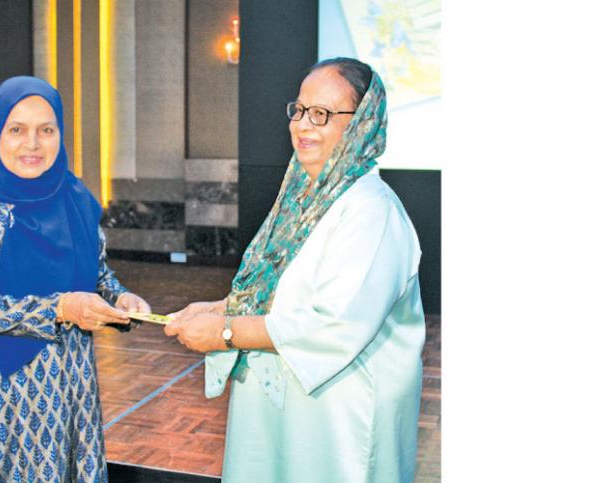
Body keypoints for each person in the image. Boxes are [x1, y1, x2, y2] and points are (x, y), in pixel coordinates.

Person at [165, 58, 425, 482]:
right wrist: (219, 308)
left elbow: (335, 323)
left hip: (337, 419)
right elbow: (280, 289)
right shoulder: (301, 200)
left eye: (321, 114)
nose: (303, 125)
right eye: (299, 110)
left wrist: (227, 331)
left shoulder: (370, 211)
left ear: (361, 124)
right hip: (282, 409)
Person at [0, 76, 151, 482]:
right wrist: (61, 308)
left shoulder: (72, 195)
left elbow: (96, 272)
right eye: (17, 130)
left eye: (46, 130)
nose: (33, 144)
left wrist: (121, 298)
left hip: (67, 381)